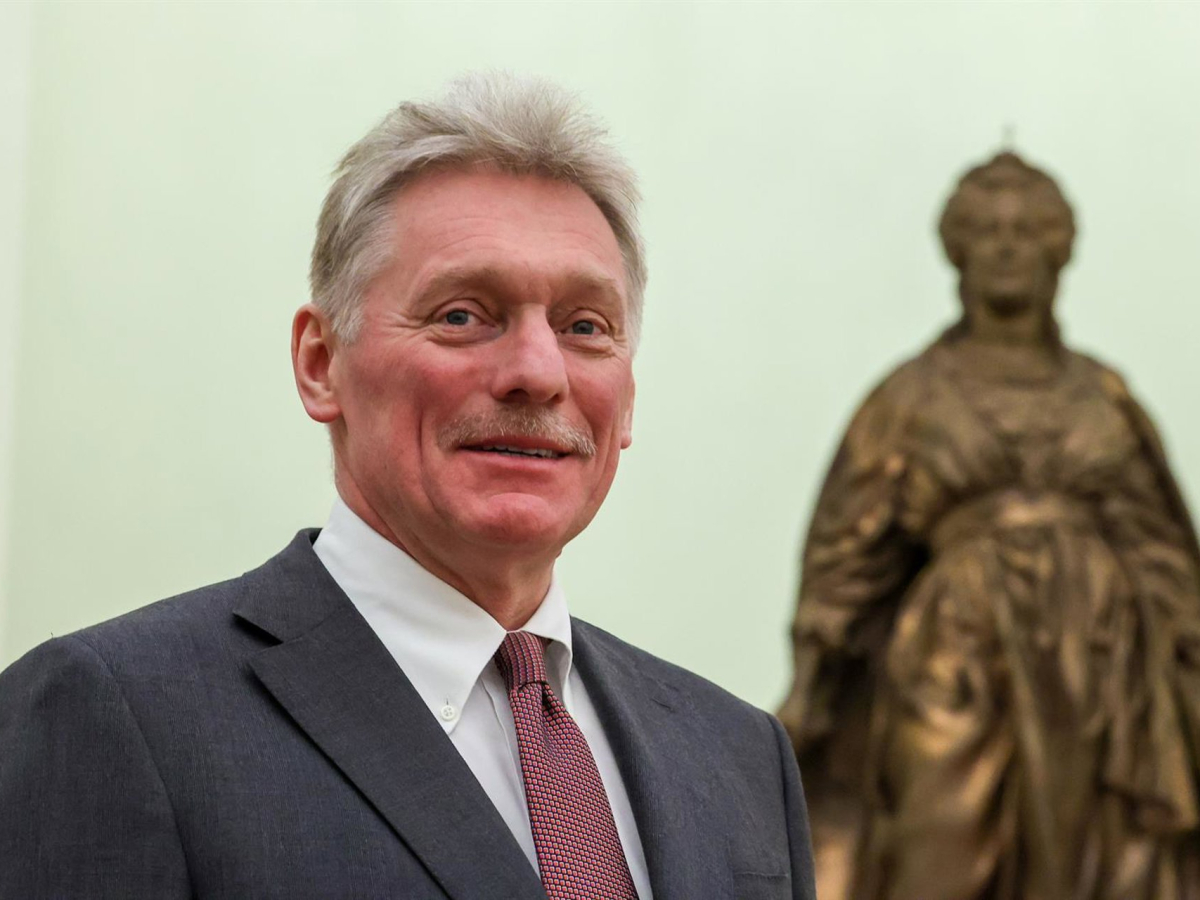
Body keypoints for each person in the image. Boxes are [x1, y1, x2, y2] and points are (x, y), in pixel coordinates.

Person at [0, 73, 816, 900]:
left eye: (584, 327)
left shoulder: (741, 756)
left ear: (628, 397)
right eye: (463, 315)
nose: (539, 372)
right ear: (321, 364)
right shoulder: (117, 716)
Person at [777, 151, 1200, 900]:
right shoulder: (910, 398)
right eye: (988, 231)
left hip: (1099, 665)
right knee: (937, 844)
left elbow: (1162, 547)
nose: (1007, 248)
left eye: (1025, 231)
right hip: (957, 648)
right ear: (959, 250)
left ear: (1056, 251)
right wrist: (816, 678)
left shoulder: (1103, 398)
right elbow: (848, 547)